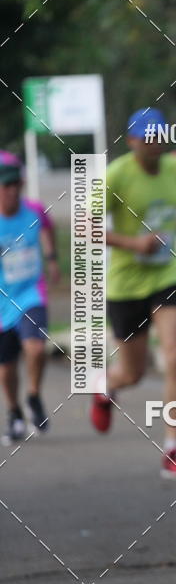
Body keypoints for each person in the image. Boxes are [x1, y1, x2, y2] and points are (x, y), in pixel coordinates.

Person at [90, 109, 176, 480]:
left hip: (166, 276)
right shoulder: (117, 174)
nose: (154, 143)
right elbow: (86, 225)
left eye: (159, 136)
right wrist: (134, 242)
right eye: (146, 137)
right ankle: (106, 386)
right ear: (131, 140)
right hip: (125, 284)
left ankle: (174, 448)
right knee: (133, 373)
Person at [0, 151, 59, 443]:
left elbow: (48, 228)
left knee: (36, 349)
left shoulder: (34, 210)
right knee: (7, 366)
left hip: (31, 293)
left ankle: (34, 395)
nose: (13, 191)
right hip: (1, 302)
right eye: (6, 186)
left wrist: (51, 259)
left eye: (16, 185)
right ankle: (14, 412)